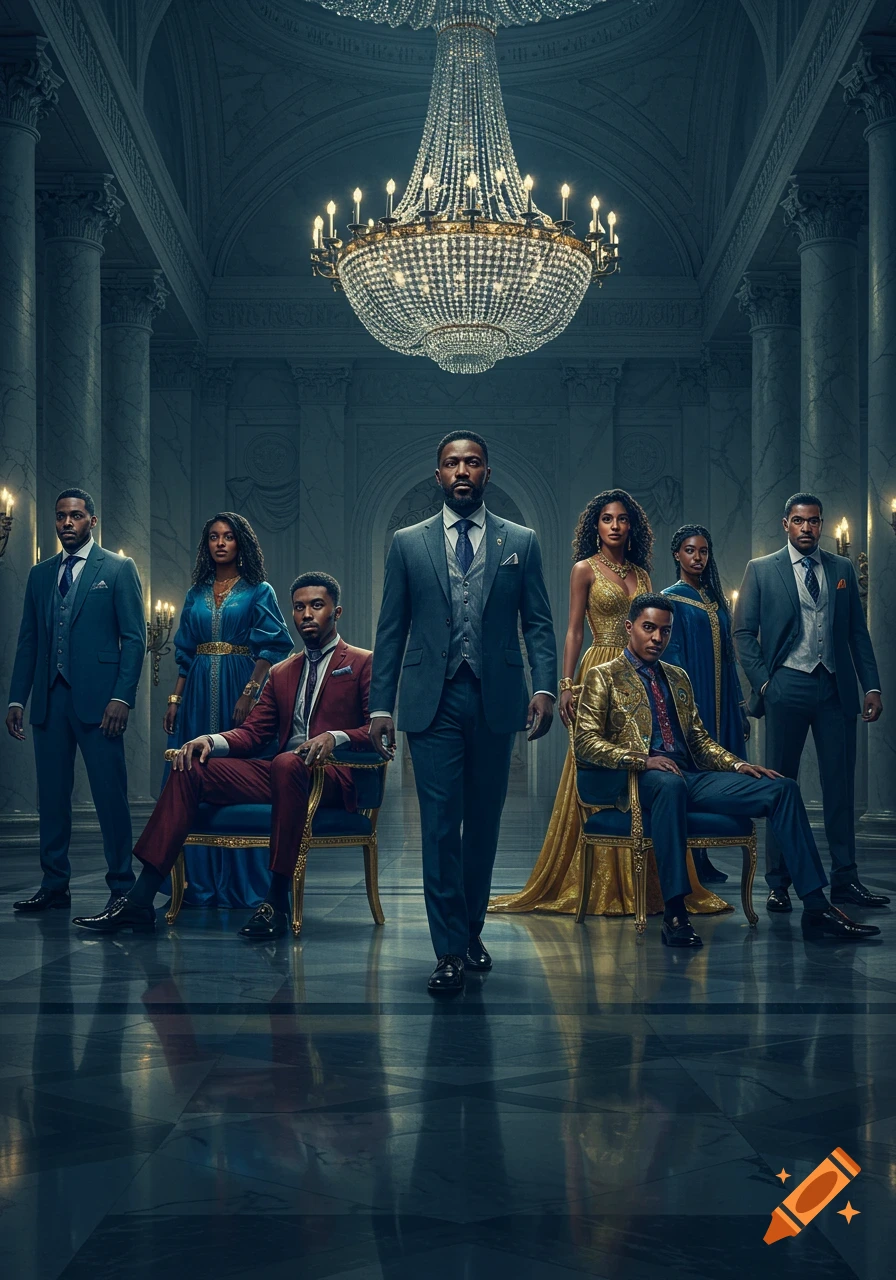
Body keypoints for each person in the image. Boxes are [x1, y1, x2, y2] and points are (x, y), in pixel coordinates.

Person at [72, 572, 372, 940]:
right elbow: (254, 732)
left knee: (285, 763)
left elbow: (379, 734)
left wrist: (335, 737)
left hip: (331, 778)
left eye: (317, 605)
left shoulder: (362, 663)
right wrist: (210, 742)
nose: (307, 614)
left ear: (336, 612)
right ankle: (140, 899)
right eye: (299, 607)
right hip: (282, 772)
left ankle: (275, 902)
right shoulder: (282, 672)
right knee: (190, 766)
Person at [574, 594, 881, 946]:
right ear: (630, 628)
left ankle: (816, 908)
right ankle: (675, 915)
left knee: (782, 789)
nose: (657, 638)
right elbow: (584, 742)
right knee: (669, 785)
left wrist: (738, 765)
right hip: (639, 779)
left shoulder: (677, 677)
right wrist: (641, 760)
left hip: (690, 778)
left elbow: (699, 740)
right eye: (649, 628)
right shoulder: (604, 676)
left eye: (665, 630)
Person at [368, 432, 557, 994]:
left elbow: (538, 623)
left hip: (496, 698)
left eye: (472, 462)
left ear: (486, 473)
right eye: (452, 463)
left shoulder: (520, 540)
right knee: (439, 826)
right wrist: (380, 705)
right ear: (439, 475)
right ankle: (448, 949)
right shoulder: (407, 543)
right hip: (433, 700)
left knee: (484, 825)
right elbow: (391, 628)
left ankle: (471, 931)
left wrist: (545, 688)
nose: (462, 471)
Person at [489, 489, 730, 919]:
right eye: (606, 519)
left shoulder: (642, 573)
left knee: (646, 756)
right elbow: (573, 630)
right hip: (599, 668)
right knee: (600, 763)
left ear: (632, 526)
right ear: (595, 526)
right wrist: (566, 685)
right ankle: (599, 878)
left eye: (622, 519)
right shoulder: (584, 569)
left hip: (641, 671)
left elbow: (655, 627)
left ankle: (654, 884)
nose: (615, 526)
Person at [734, 492, 889, 913]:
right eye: (800, 521)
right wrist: (766, 685)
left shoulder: (840, 569)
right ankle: (779, 882)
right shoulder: (761, 569)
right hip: (786, 685)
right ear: (786, 524)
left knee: (840, 786)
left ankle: (846, 879)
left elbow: (857, 633)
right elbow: (743, 632)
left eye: (814, 521)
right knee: (780, 785)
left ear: (821, 525)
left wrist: (871, 687)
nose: (807, 528)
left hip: (834, 688)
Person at [6, 489, 146, 912]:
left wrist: (122, 697)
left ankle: (122, 886)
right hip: (50, 702)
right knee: (51, 798)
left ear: (92, 521)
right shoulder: (40, 575)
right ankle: (54, 885)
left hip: (101, 703)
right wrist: (17, 699)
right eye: (61, 516)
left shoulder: (118, 568)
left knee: (109, 795)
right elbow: (29, 641)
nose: (67, 522)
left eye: (76, 516)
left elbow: (135, 639)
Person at [162, 513, 292, 908]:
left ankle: (244, 882)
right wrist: (176, 699)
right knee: (189, 771)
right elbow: (185, 651)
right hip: (198, 689)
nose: (221, 543)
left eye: (229, 537)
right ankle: (195, 883)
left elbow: (274, 644)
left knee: (238, 768)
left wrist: (251, 691)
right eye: (214, 537)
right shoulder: (195, 593)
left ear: (241, 543)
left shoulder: (258, 590)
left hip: (240, 681)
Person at [661, 524, 749, 885]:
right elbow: (671, 656)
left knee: (720, 774)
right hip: (692, 700)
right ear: (677, 555)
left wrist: (739, 706)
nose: (697, 557)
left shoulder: (714, 599)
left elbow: (729, 657)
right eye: (690, 551)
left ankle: (705, 854)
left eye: (703, 551)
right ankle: (691, 858)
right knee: (694, 771)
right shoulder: (670, 599)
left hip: (722, 701)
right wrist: (683, 705)